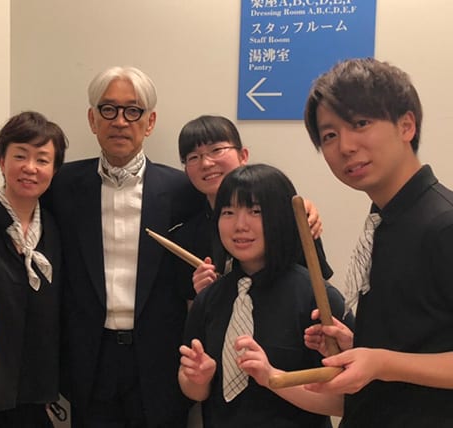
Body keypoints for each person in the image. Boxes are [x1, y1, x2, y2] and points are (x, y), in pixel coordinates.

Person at [240, 58, 453, 426]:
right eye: (329, 136)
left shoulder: (443, 224)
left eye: (360, 123)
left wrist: (381, 361)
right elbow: (424, 339)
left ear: (406, 125)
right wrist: (359, 347)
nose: (345, 146)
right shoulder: (385, 221)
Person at [42, 66, 202, 427]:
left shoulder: (182, 190)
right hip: (90, 360)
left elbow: (230, 213)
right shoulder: (62, 185)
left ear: (150, 122)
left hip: (161, 360)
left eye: (133, 111)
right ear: (92, 119)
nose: (119, 121)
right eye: (108, 109)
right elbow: (19, 205)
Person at [178, 164, 351, 428]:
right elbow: (193, 389)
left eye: (255, 211)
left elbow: (343, 402)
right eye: (228, 212)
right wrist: (198, 379)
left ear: (281, 218)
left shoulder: (317, 297)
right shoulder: (209, 297)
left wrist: (273, 378)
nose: (240, 225)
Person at [171, 115, 332, 297]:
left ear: (243, 155)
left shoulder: (291, 219)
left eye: (216, 150)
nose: (206, 163)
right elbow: (192, 309)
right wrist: (206, 297)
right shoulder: (187, 236)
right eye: (193, 157)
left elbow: (322, 294)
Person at [0, 111, 68, 427]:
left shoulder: (56, 231)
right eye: (20, 156)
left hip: (36, 395)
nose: (30, 168)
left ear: (54, 170)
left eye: (42, 160)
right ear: (1, 160)